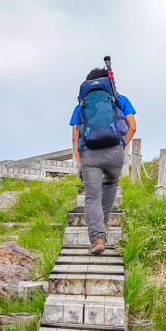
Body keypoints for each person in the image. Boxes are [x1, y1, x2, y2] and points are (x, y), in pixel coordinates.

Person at [70, 67, 136, 254]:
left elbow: (75, 138)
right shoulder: (120, 100)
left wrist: (80, 162)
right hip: (114, 151)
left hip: (90, 154)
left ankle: (98, 238)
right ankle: (104, 221)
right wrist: (120, 145)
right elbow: (133, 127)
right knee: (110, 186)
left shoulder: (81, 105)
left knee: (92, 197)